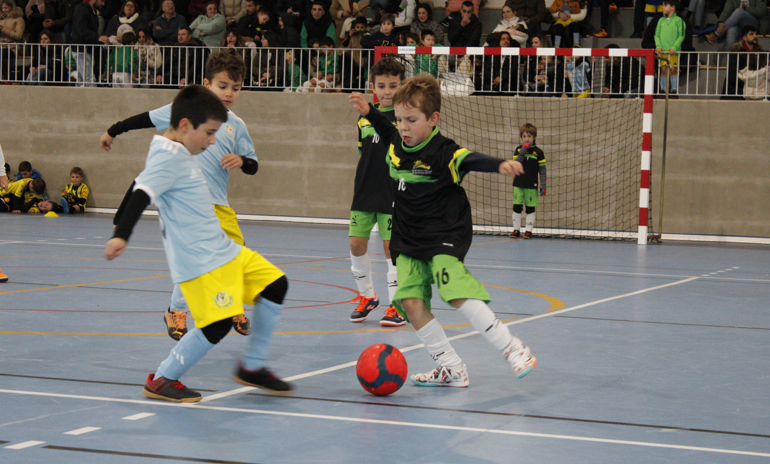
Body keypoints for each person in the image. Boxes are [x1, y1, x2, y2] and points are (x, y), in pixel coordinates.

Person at [105, 84, 293, 403]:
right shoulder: (168, 158)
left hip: (224, 251)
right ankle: (163, 378)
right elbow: (141, 192)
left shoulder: (181, 150)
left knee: (275, 285)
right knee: (217, 324)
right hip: (199, 263)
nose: (212, 140)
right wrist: (121, 233)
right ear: (184, 126)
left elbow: (141, 182)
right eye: (209, 133)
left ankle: (252, 366)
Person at [348, 74, 537, 387]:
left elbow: (469, 158)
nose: (404, 126)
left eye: (411, 119)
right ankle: (451, 368)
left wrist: (500, 164)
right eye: (399, 119)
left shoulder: (442, 151)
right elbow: (386, 129)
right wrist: (369, 112)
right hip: (408, 236)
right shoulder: (397, 140)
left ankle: (512, 347)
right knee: (410, 303)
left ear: (433, 119)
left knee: (456, 292)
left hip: (444, 232)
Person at [101, 49, 258, 341]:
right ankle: (177, 310)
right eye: (223, 86)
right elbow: (145, 119)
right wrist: (113, 131)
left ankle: (230, 304)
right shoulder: (184, 111)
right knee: (195, 260)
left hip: (218, 204)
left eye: (236, 88)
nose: (229, 93)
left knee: (235, 256)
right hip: (184, 203)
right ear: (206, 83)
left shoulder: (236, 125)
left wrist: (242, 161)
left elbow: (253, 165)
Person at [347, 58, 405, 327]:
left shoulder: (404, 118)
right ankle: (367, 296)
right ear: (373, 86)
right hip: (365, 189)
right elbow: (363, 152)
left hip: (392, 191)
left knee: (390, 248)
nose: (387, 91)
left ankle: (397, 305)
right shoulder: (363, 119)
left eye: (393, 85)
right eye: (381, 85)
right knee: (356, 243)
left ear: (402, 86)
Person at [510, 123, 546, 239]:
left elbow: (542, 171)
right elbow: (517, 164)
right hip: (518, 184)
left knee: (530, 208)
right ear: (521, 137)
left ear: (534, 137)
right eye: (524, 136)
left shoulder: (538, 152)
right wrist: (523, 151)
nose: (527, 138)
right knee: (516, 207)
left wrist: (543, 185)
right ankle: (516, 230)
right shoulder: (518, 150)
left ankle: (528, 231)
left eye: (529, 136)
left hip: (531, 185)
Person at [71, 0, 110, 86]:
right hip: (81, 49)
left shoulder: (91, 12)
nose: (103, 4)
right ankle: (93, 99)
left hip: (86, 49)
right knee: (89, 79)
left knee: (82, 80)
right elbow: (82, 29)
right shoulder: (82, 10)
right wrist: (97, 37)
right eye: (101, 1)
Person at [722, 24, 762, 99]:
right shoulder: (736, 53)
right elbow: (733, 76)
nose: (755, 36)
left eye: (756, 34)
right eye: (751, 34)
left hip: (756, 88)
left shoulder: (761, 53)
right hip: (736, 89)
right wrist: (750, 84)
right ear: (744, 38)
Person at [654, 0, 684, 95]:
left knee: (673, 69)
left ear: (673, 7)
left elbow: (681, 35)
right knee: (663, 70)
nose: (662, 7)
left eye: (665, 5)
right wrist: (658, 46)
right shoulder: (660, 20)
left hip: (673, 52)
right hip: (662, 52)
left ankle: (674, 90)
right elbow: (656, 35)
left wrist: (674, 47)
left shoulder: (679, 21)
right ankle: (662, 91)